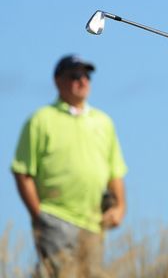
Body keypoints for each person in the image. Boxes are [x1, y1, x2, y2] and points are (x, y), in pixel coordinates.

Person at [11, 55, 128, 277]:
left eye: (86, 76)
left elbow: (116, 172)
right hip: (54, 218)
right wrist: (39, 216)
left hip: (94, 224)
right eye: (74, 76)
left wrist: (120, 207)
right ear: (58, 81)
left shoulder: (103, 122)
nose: (82, 81)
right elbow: (22, 171)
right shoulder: (40, 120)